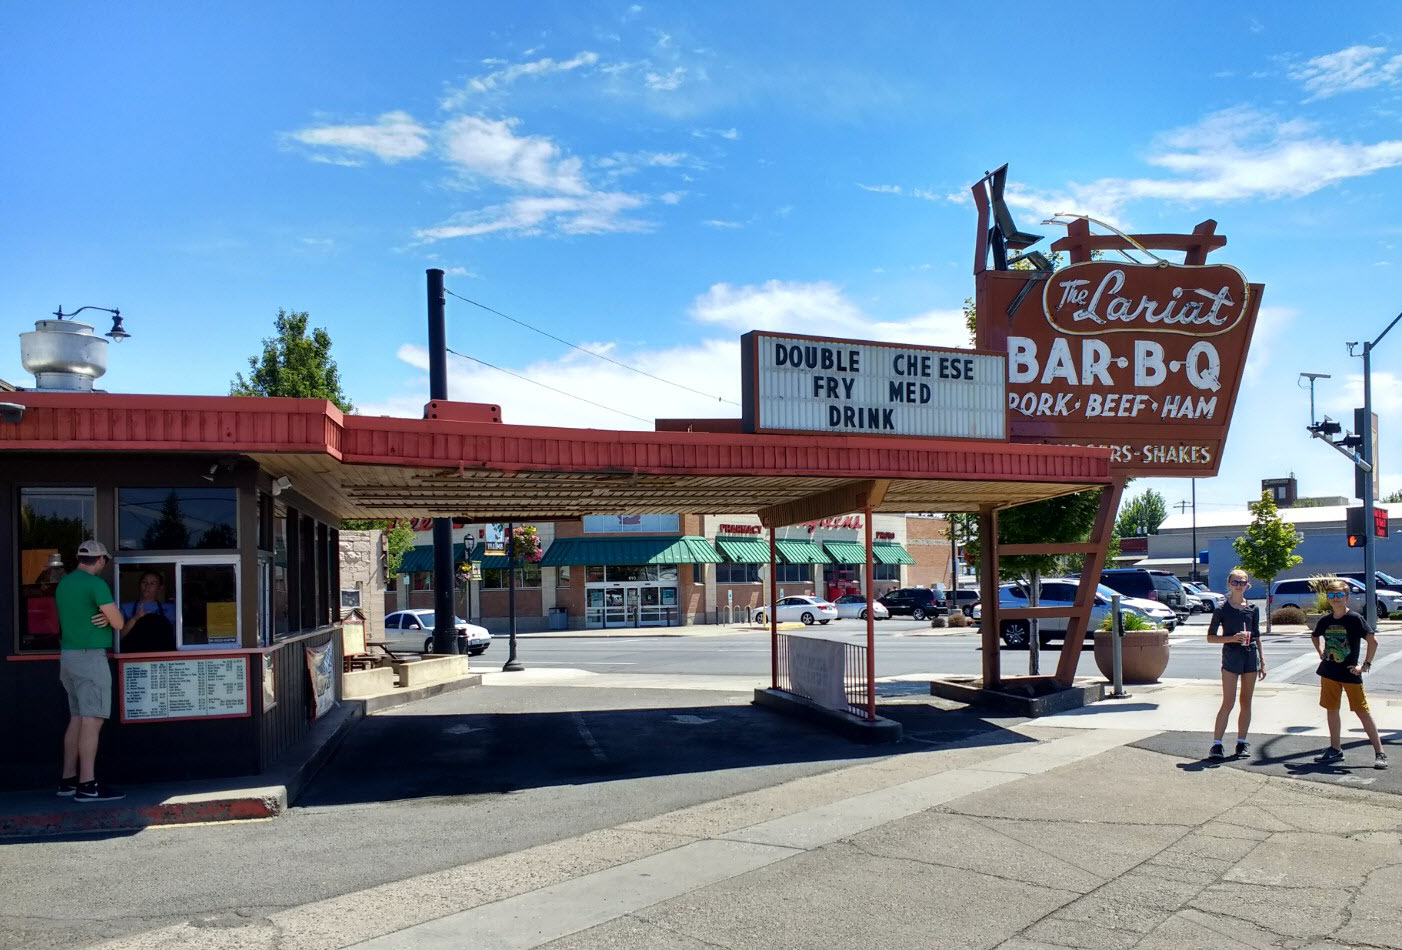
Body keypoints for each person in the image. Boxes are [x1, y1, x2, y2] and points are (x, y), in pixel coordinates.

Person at [56, 539, 128, 802]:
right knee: (92, 720)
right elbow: (119, 622)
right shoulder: (96, 585)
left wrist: (102, 616)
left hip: (68, 657)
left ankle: (68, 780)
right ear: (100, 560)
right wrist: (108, 616)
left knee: (77, 717)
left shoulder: (64, 583)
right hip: (90, 659)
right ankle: (88, 784)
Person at [1311, 578, 1388, 769]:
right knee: (1331, 710)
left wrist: (1365, 665)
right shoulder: (1326, 620)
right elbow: (1314, 636)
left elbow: (1373, 641)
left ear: (1347, 597)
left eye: (1339, 595)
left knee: (1362, 711)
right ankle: (1335, 749)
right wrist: (1321, 651)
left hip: (1350, 674)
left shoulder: (1354, 619)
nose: (1335, 599)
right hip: (1329, 673)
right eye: (1331, 595)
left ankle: (1380, 753)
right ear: (1327, 598)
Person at [1204, 569, 1265, 759]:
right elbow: (1210, 638)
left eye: (1243, 582)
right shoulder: (1222, 609)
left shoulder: (1253, 608)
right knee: (1228, 702)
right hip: (1231, 658)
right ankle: (1217, 744)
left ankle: (1241, 742)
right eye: (1236, 582)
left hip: (1250, 658)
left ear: (1248, 585)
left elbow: (1256, 636)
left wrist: (1262, 661)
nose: (1239, 585)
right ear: (1229, 584)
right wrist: (1232, 638)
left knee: (1246, 702)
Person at [120, 570, 177, 653]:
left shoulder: (170, 608)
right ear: (139, 585)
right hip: (133, 656)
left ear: (160, 588)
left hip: (162, 656)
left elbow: (176, 637)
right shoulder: (125, 607)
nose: (147, 586)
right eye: (144, 582)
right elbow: (119, 637)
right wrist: (135, 618)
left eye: (152, 583)